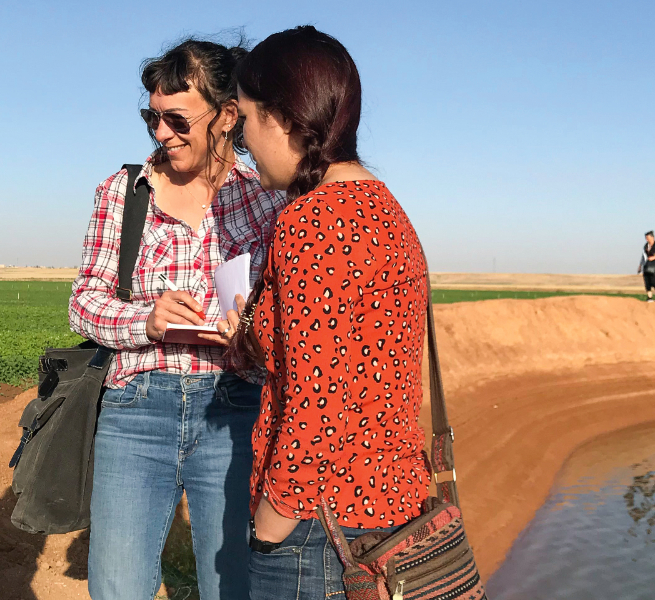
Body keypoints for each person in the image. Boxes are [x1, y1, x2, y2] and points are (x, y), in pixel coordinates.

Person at [215, 26, 432, 598]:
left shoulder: (313, 220)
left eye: (246, 118)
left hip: (324, 527)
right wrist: (255, 335)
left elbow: (317, 400)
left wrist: (274, 520)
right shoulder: (384, 209)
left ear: (284, 117)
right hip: (391, 510)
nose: (242, 139)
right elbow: (355, 361)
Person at [67, 38, 287, 600]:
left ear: (227, 116)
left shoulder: (268, 200)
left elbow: (291, 315)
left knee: (232, 585)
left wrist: (253, 330)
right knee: (117, 587)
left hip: (236, 409)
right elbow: (84, 303)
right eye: (152, 118)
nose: (161, 133)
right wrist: (147, 320)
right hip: (135, 411)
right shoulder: (124, 192)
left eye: (176, 119)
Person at [638, 230, 655, 302]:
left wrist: (654, 257)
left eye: (648, 238)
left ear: (652, 237)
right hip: (646, 266)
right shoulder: (646, 246)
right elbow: (643, 257)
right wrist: (640, 265)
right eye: (646, 238)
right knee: (647, 281)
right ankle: (649, 297)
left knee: (654, 281)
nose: (646, 239)